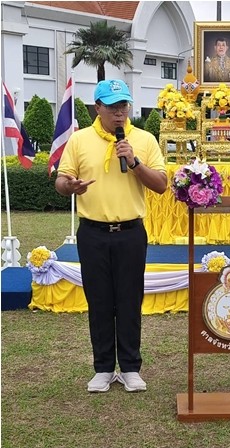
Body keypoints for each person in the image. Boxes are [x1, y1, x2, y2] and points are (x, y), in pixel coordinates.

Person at [55, 79, 167, 393]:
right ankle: (103, 368)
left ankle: (131, 367)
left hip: (130, 232)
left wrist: (133, 162)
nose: (119, 113)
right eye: (112, 106)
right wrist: (70, 187)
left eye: (123, 106)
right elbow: (62, 181)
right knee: (100, 300)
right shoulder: (79, 140)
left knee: (130, 301)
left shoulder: (143, 140)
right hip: (92, 232)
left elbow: (160, 184)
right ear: (98, 108)